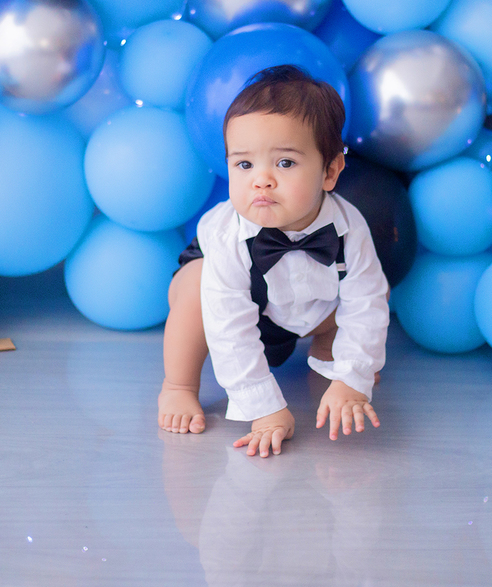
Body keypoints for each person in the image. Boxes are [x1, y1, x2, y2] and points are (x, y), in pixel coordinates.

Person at [158, 65, 389, 457]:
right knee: (195, 289)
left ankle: (329, 354)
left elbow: (368, 304)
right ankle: (178, 386)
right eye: (244, 165)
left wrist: (354, 376)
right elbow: (229, 327)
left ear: (330, 171)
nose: (261, 180)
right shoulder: (230, 237)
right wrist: (265, 410)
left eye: (284, 163)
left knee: (353, 308)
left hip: (307, 305)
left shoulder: (350, 229)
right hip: (231, 299)